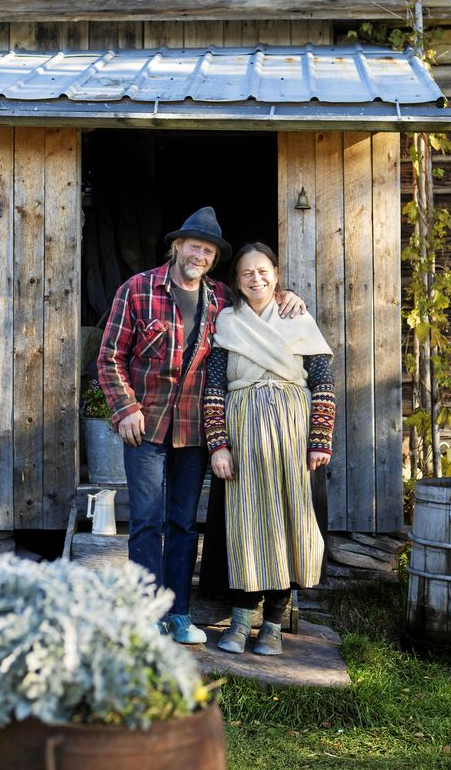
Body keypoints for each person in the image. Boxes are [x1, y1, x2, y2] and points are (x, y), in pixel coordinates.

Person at [97, 209, 305, 645]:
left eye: (208, 250)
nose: (199, 255)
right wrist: (125, 408)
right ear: (176, 247)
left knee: (182, 525)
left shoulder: (221, 299)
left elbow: (259, 295)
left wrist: (289, 297)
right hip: (146, 426)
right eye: (194, 246)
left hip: (193, 429)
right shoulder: (137, 290)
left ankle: (178, 614)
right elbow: (109, 357)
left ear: (213, 259)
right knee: (146, 522)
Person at [204, 242, 336, 657]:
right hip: (243, 441)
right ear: (237, 282)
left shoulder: (299, 320)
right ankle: (242, 621)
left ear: (276, 275)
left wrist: (319, 440)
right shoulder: (227, 322)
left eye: (263, 271)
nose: (256, 279)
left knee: (288, 527)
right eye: (247, 273)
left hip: (293, 442)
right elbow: (213, 388)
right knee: (246, 528)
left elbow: (323, 385)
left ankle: (274, 625)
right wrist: (218, 445)